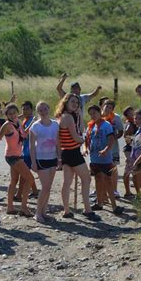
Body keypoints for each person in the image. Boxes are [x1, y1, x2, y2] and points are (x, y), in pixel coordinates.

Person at [55, 93, 101, 221]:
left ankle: (67, 211)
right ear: (66, 103)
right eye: (72, 102)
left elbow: (80, 129)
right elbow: (76, 137)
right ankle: (87, 209)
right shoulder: (68, 117)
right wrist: (85, 140)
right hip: (72, 152)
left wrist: (80, 115)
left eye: (77, 102)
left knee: (67, 182)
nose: (75, 104)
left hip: (66, 152)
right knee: (86, 179)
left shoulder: (65, 116)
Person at [0, 103, 34, 217]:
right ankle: (24, 207)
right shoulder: (7, 125)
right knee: (30, 179)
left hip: (18, 155)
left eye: (14, 113)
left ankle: (10, 207)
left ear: (17, 113)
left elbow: (25, 135)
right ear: (6, 115)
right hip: (12, 156)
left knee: (14, 181)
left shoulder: (18, 123)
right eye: (10, 114)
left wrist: (32, 123)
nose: (12, 115)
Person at [85, 105, 124, 214]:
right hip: (94, 158)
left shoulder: (106, 125)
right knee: (98, 179)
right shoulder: (91, 126)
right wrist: (85, 149)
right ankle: (99, 202)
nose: (93, 115)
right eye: (91, 114)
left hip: (106, 158)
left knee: (108, 181)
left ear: (99, 113)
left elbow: (111, 140)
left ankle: (114, 206)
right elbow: (87, 140)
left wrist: (106, 150)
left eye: (95, 113)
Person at [29, 102, 60, 223]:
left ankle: (44, 211)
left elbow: (57, 142)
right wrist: (33, 162)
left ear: (49, 109)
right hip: (41, 159)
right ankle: (37, 213)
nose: (43, 112)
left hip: (52, 158)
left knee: (49, 187)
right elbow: (31, 146)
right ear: (38, 112)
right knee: (45, 187)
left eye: (45, 109)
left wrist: (59, 158)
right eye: (40, 110)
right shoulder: (35, 126)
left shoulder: (55, 125)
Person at [14, 101, 39, 201]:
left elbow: (27, 135)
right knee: (25, 172)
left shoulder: (31, 121)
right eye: (23, 109)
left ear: (31, 110)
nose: (24, 111)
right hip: (25, 150)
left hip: (29, 151)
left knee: (23, 173)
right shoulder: (26, 119)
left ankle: (19, 194)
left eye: (27, 109)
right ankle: (35, 191)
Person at [102, 100, 124, 198]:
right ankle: (101, 190)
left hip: (113, 147)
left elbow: (121, 131)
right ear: (103, 106)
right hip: (101, 146)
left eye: (111, 107)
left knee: (113, 168)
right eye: (107, 106)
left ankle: (114, 190)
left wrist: (114, 137)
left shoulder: (116, 117)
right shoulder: (99, 116)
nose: (108, 109)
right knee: (100, 169)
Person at [122, 106, 137, 199]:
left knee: (131, 170)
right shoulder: (130, 124)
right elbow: (126, 136)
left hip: (132, 149)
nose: (132, 114)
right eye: (130, 113)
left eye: (133, 112)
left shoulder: (134, 123)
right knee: (130, 170)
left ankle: (129, 192)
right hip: (130, 150)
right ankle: (127, 192)